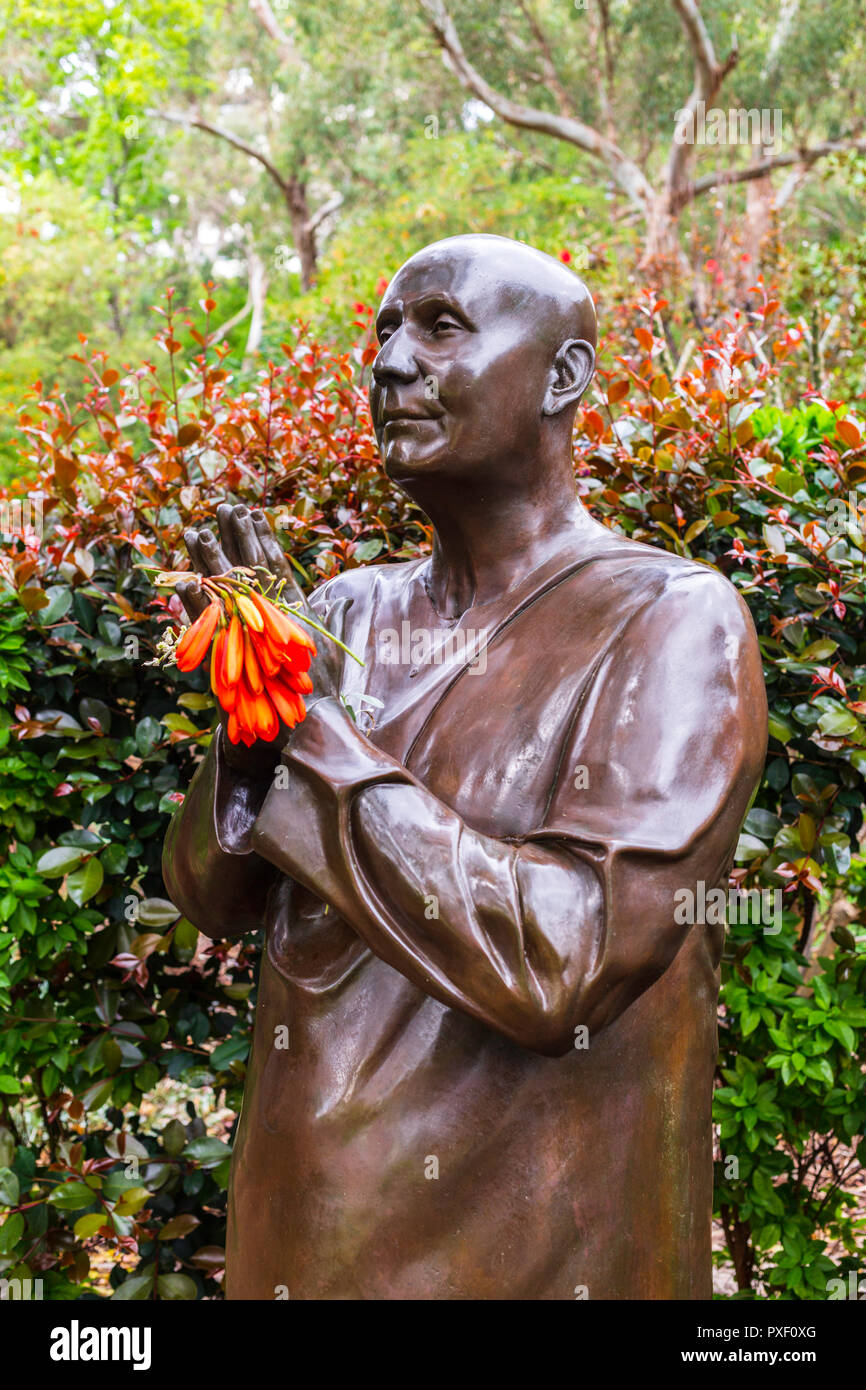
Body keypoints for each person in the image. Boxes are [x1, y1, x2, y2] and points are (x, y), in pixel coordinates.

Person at [164, 234, 767, 1299]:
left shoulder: (669, 621)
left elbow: (562, 966)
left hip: (523, 1259)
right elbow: (211, 896)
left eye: (440, 326)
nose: (391, 362)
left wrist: (306, 729)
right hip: (299, 1240)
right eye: (385, 332)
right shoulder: (346, 610)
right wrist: (253, 709)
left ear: (563, 376)